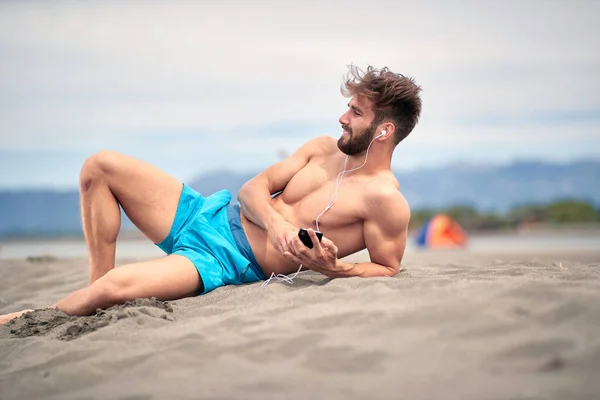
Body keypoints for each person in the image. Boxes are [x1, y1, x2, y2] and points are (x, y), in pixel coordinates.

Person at [0, 65, 422, 324]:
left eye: (356, 112)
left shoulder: (385, 200)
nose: (342, 117)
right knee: (99, 167)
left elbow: (388, 269)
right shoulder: (321, 147)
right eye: (347, 107)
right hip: (207, 213)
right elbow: (252, 188)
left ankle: (57, 308)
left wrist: (335, 270)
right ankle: (95, 289)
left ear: (384, 130)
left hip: (223, 259)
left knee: (113, 289)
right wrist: (276, 224)